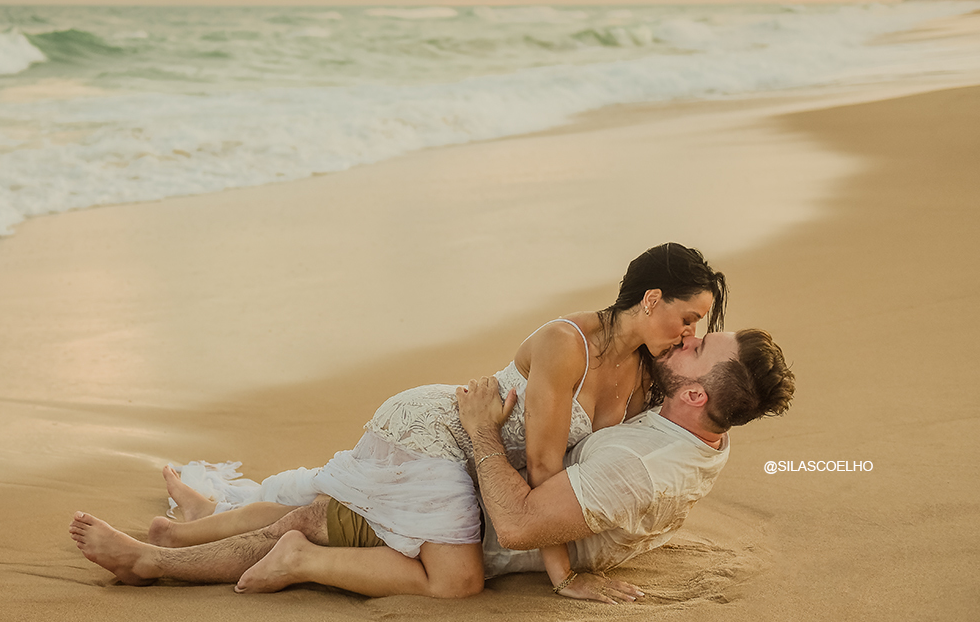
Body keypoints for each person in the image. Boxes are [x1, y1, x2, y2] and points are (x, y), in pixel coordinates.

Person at [154, 242, 725, 597]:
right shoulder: (566, 344)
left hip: (485, 462)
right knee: (456, 581)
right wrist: (565, 577)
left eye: (699, 324)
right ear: (651, 299)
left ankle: (192, 521)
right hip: (441, 431)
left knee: (325, 506)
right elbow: (547, 467)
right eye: (688, 316)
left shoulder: (649, 370)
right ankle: (187, 553)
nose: (691, 333)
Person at [68, 327, 794, 602]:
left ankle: (153, 559)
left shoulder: (638, 463)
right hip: (440, 464)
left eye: (698, 346)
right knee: (319, 488)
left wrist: (483, 431)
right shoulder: (700, 434)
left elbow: (518, 524)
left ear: (698, 392)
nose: (685, 338)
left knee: (317, 518)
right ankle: (199, 520)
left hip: (472, 516)